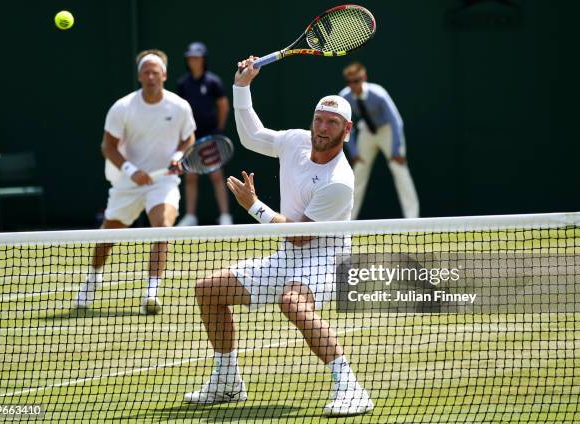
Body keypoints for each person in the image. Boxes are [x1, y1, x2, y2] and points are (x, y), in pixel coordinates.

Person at [183, 56, 374, 416]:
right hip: (288, 254)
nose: (322, 127)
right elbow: (252, 135)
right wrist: (242, 87)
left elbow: (303, 237)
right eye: (319, 119)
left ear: (346, 130)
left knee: (292, 303)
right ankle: (227, 382)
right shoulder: (296, 142)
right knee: (208, 290)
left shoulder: (339, 182)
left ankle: (351, 388)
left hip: (325, 259)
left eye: (332, 123)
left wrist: (255, 206)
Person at [74, 49, 196, 315]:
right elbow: (108, 146)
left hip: (163, 181)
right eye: (146, 72)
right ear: (140, 76)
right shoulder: (123, 107)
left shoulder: (180, 107)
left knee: (162, 229)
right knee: (107, 236)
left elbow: (189, 139)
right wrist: (131, 170)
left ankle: (151, 293)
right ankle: (93, 279)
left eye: (155, 72)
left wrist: (177, 156)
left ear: (163, 75)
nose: (151, 76)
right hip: (128, 182)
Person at [339, 62, 419, 219]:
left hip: (387, 131)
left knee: (400, 171)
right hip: (367, 132)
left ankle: (413, 219)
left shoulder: (379, 94)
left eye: (357, 81)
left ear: (364, 78)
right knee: (357, 176)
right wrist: (354, 152)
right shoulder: (344, 97)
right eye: (350, 82)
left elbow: (396, 122)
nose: (353, 85)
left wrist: (396, 150)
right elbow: (345, 126)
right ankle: (347, 221)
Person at [176, 42, 232, 226]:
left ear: (203, 60)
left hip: (210, 134)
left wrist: (218, 130)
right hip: (191, 135)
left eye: (197, 58)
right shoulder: (183, 84)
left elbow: (223, 106)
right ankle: (190, 216)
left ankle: (225, 216)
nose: (193, 61)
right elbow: (180, 110)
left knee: (216, 175)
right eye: (190, 58)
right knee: (190, 175)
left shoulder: (213, 82)